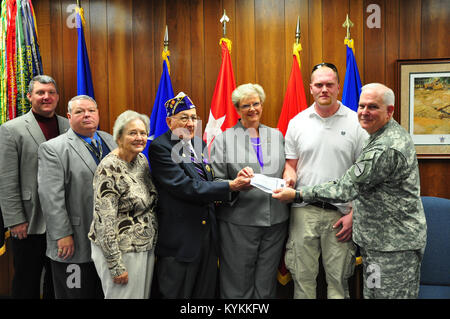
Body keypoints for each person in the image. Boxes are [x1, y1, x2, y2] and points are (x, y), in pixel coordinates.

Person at [272, 83, 427, 299]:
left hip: (392, 249)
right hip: (378, 244)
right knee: (374, 293)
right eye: (362, 106)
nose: (363, 112)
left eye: (372, 107)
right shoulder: (379, 135)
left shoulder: (386, 147)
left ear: (389, 111)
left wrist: (298, 194)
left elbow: (346, 188)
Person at [148, 92, 252, 298]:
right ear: (170, 122)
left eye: (194, 118)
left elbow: (207, 181)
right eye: (184, 118)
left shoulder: (198, 144)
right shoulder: (161, 147)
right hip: (181, 243)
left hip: (207, 238)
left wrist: (232, 182)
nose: (190, 123)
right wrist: (230, 186)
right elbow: (186, 187)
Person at [281, 63, 368, 299]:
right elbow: (291, 165)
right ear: (311, 88)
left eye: (330, 84)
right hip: (303, 212)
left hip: (340, 215)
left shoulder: (357, 123)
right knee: (303, 283)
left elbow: (364, 176)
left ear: (338, 87)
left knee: (339, 286)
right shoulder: (297, 122)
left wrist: (354, 215)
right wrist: (289, 179)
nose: (324, 89)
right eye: (319, 85)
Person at [210, 83, 289, 298]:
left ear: (262, 105)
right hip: (239, 221)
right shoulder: (224, 139)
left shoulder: (277, 136)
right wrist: (235, 184)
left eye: (256, 103)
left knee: (266, 283)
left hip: (276, 221)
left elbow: (287, 170)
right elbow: (215, 180)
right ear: (237, 109)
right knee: (238, 282)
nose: (252, 109)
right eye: (246, 105)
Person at [37, 95, 116, 299]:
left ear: (98, 114)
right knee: (76, 293)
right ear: (69, 116)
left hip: (109, 240)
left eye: (91, 110)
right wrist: (62, 235)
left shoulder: (110, 140)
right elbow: (50, 197)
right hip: (75, 240)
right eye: (80, 112)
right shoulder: (53, 148)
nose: (87, 115)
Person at [0, 75, 69, 299]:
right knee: (26, 280)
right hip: (29, 221)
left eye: (51, 92)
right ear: (30, 96)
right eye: (40, 93)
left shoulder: (69, 126)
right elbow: (6, 179)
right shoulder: (11, 129)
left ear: (57, 97)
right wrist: (15, 219)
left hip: (63, 220)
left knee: (56, 280)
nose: (46, 97)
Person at [88, 110, 158, 299]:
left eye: (143, 133)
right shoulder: (108, 168)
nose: (139, 138)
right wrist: (115, 264)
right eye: (132, 133)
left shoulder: (141, 160)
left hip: (144, 247)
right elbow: (104, 222)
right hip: (121, 250)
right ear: (119, 137)